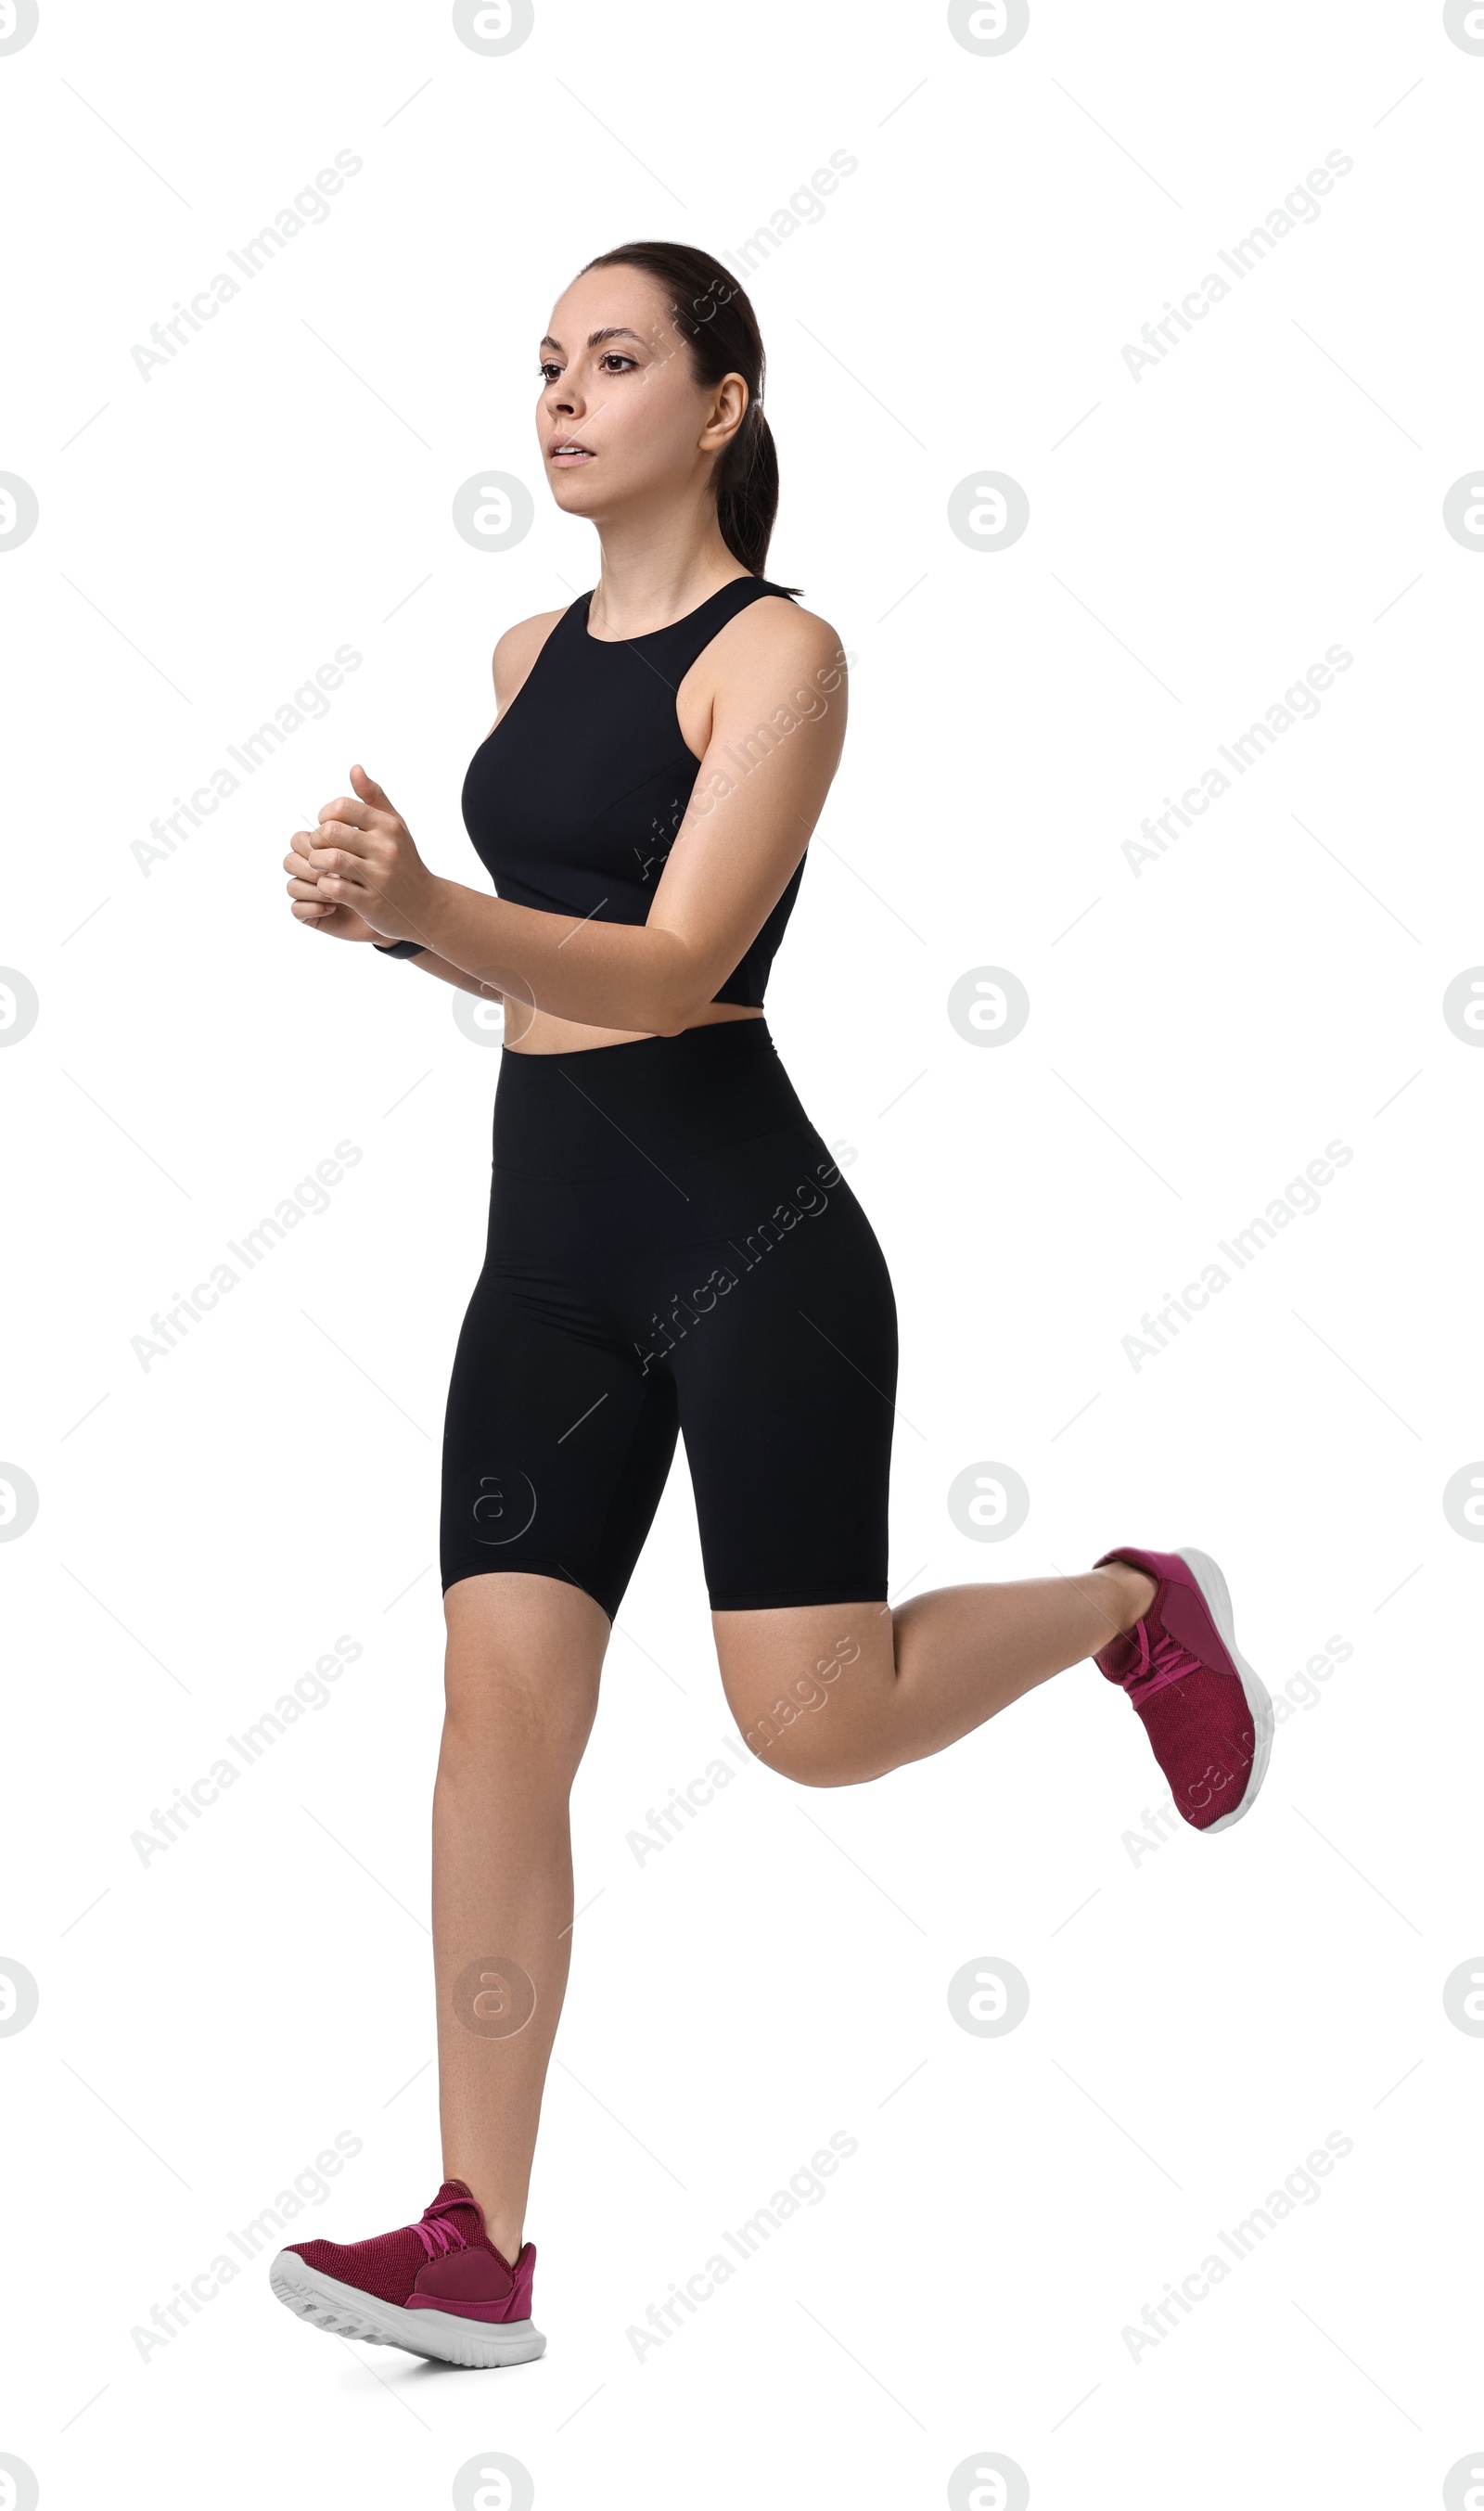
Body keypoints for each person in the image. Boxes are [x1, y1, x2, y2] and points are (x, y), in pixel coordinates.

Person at [268, 240, 1273, 2370]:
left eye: (612, 362)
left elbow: (674, 965)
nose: (558, 396)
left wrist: (428, 904)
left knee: (806, 1728)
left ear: (718, 406)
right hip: (539, 1258)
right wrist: (393, 923)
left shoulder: (780, 658)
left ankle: (1123, 1605)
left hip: (748, 1246)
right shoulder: (520, 646)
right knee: (493, 1725)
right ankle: (478, 2236)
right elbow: (529, 958)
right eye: (542, 364)